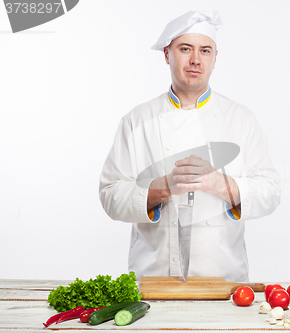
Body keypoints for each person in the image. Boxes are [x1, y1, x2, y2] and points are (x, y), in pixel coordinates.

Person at [99, 10, 280, 282]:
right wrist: (163, 187)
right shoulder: (136, 121)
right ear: (167, 54)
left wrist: (220, 184)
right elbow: (110, 195)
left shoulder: (241, 119)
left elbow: (271, 191)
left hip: (224, 281)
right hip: (153, 279)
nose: (196, 60)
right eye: (185, 49)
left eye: (205, 51)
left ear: (215, 58)